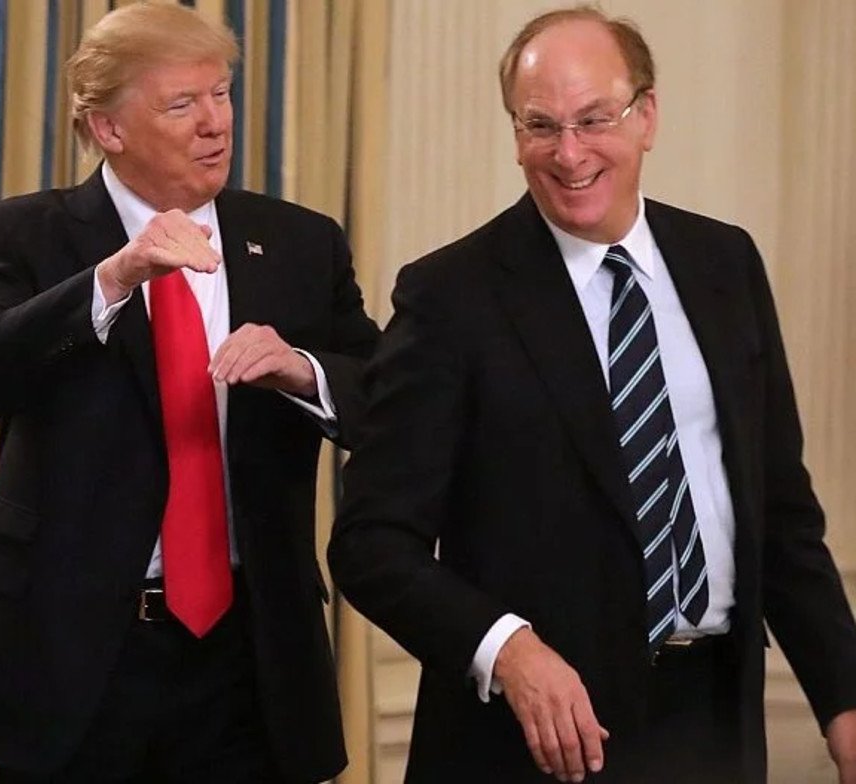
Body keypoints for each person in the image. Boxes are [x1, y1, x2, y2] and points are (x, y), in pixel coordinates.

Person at [329, 6, 856, 783]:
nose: (568, 153)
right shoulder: (452, 297)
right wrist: (508, 649)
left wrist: (843, 700)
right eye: (540, 126)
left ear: (647, 116)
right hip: (532, 743)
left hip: (716, 724)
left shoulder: (725, 263)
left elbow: (781, 512)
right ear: (516, 135)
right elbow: (370, 544)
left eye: (593, 119)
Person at [0, 4, 378, 783]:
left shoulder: (301, 241)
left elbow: (389, 398)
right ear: (108, 128)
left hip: (251, 656)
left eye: (222, 94)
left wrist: (302, 370)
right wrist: (113, 280)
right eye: (182, 104)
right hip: (80, 659)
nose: (215, 123)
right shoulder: (21, 235)